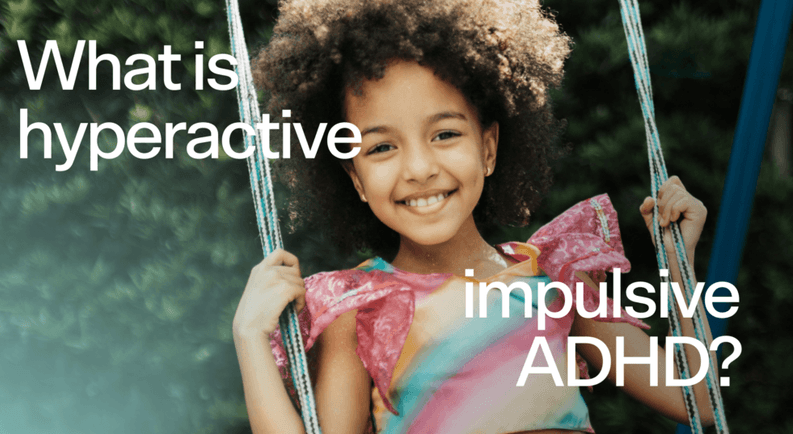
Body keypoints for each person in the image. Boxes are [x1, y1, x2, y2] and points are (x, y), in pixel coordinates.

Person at [231, 0, 717, 432]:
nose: (419, 169)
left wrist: (679, 262)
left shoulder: (553, 281)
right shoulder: (360, 309)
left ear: (488, 147)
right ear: (355, 178)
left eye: (444, 134)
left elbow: (699, 401)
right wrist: (250, 337)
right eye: (381, 147)